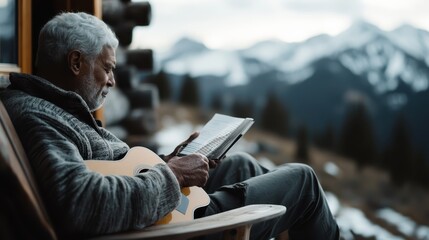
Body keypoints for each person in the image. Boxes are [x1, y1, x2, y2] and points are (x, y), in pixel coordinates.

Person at [0, 12, 339, 239]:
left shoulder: (55, 108)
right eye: (107, 68)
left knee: (241, 164)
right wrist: (173, 175)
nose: (113, 81)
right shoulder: (38, 116)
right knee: (303, 181)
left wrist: (169, 160)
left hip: (156, 213)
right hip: (164, 230)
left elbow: (109, 171)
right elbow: (81, 204)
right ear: (76, 62)